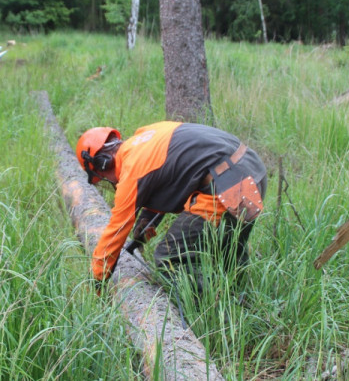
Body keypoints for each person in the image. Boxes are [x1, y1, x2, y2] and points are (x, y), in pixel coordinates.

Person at [76, 121, 268, 291]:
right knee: (230, 252)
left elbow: (115, 232)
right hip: (251, 172)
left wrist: (97, 282)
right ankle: (240, 300)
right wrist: (146, 220)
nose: (109, 183)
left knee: (168, 257)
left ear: (103, 164)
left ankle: (211, 309)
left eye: (102, 179)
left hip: (227, 188)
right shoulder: (146, 135)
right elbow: (169, 173)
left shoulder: (131, 171)